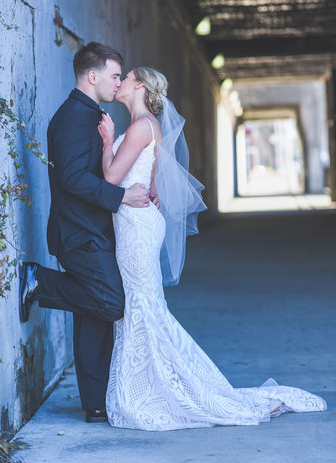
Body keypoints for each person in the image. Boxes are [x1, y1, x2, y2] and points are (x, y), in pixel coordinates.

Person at [97, 66, 327, 431]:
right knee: (143, 305)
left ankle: (160, 391)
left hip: (136, 226)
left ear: (138, 85)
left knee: (142, 305)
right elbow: (149, 181)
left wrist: (108, 141)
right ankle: (152, 387)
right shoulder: (149, 126)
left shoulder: (140, 126)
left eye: (125, 77)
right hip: (138, 222)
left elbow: (111, 178)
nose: (119, 80)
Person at [19, 42, 153, 424]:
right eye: (114, 75)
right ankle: (38, 282)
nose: (118, 82)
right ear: (91, 77)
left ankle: (96, 402)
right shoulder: (74, 118)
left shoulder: (89, 114)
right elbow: (73, 177)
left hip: (93, 230)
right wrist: (123, 196)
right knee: (111, 302)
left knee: (93, 314)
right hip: (79, 233)